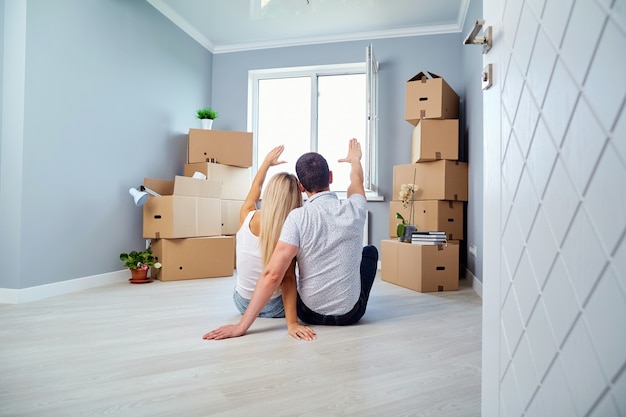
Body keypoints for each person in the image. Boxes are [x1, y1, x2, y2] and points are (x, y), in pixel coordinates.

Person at [203, 138, 379, 340]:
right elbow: (356, 182)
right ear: (330, 177)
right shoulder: (356, 207)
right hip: (351, 315)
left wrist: (242, 327)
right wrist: (355, 160)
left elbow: (272, 275)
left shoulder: (296, 217)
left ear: (301, 186)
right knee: (369, 252)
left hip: (308, 314)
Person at [203, 145, 316, 341]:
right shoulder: (289, 232)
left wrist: (266, 163)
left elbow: (255, 187)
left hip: (241, 302)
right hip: (274, 307)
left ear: (270, 194)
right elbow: (288, 279)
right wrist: (292, 323)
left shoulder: (246, 214)